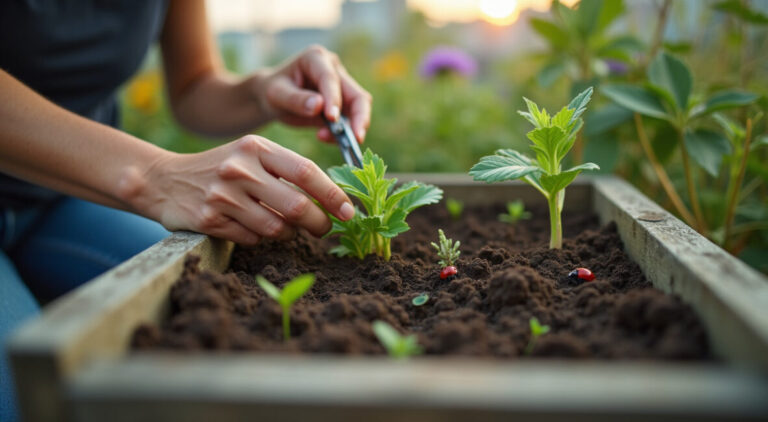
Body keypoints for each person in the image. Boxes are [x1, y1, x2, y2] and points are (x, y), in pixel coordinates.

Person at [0, 1, 372, 420]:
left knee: (218, 293)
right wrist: (152, 175)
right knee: (23, 401)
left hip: (64, 196)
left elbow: (195, 85)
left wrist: (260, 91)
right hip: (98, 182)